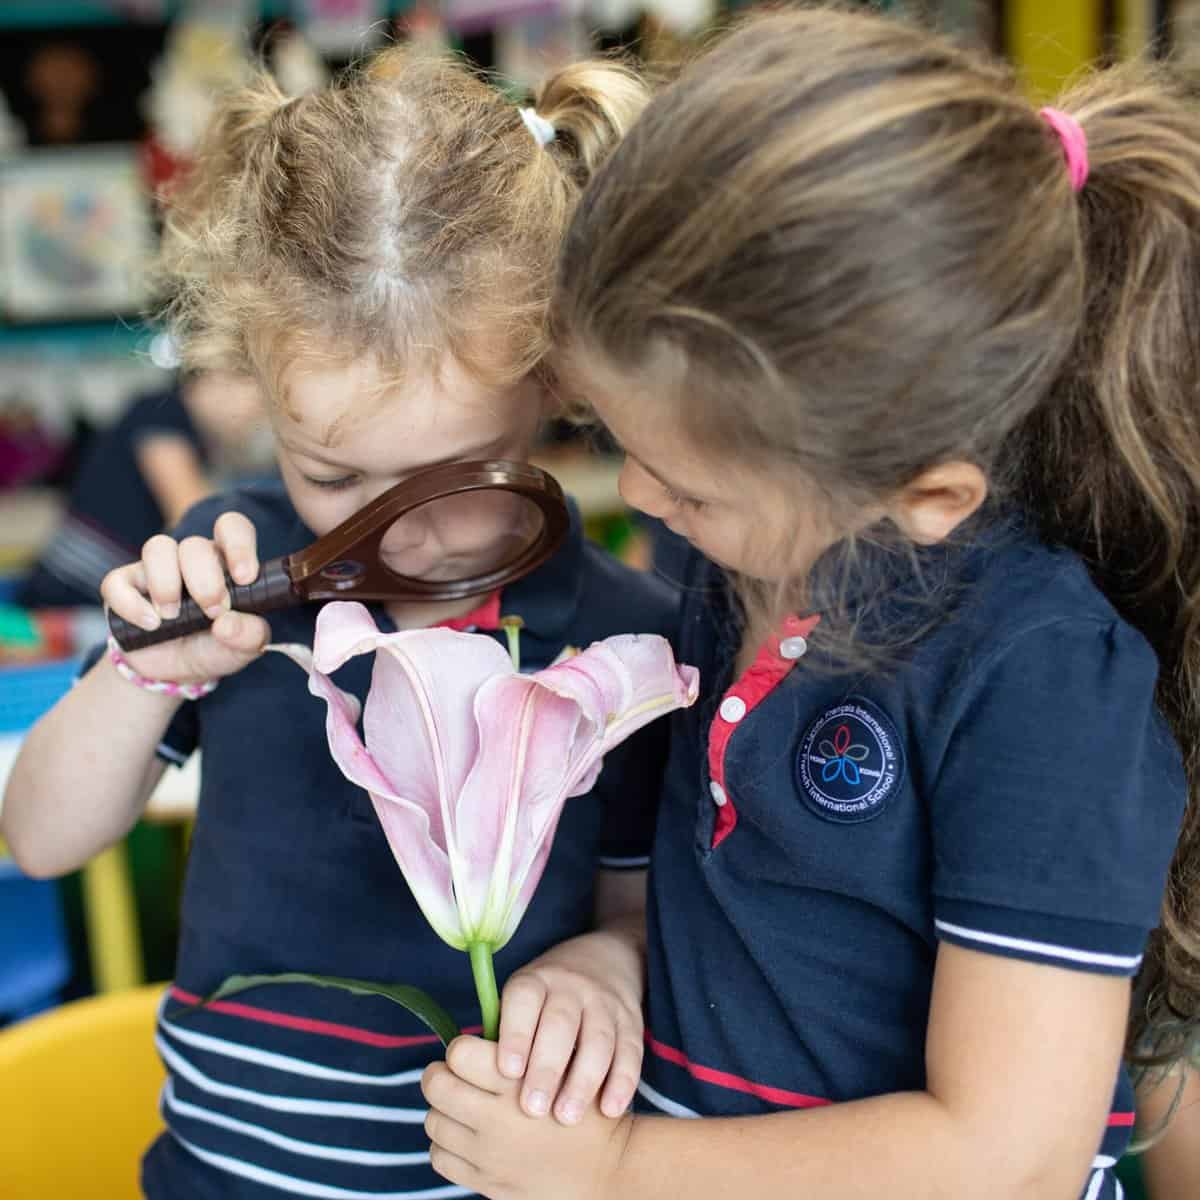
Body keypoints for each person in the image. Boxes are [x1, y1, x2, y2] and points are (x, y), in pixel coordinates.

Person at [420, 10, 1200, 1200]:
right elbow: (738, 924)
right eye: (626, 449)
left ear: (925, 494)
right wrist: (615, 963)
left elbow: (1013, 1155)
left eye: (691, 485)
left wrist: (620, 1168)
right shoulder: (741, 566)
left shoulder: (1044, 679)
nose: (643, 499)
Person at [1, 47, 666, 1200]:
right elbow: (41, 841)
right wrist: (148, 674)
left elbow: (642, 909)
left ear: (555, 381)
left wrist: (610, 966)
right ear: (258, 391)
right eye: (334, 474)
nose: (396, 534)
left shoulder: (623, 638)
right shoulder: (235, 566)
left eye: (459, 477)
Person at [17, 370, 267, 610]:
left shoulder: (192, 436)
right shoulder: (162, 412)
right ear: (213, 374)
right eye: (256, 388)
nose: (258, 411)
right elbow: (196, 516)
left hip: (98, 592)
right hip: (70, 595)